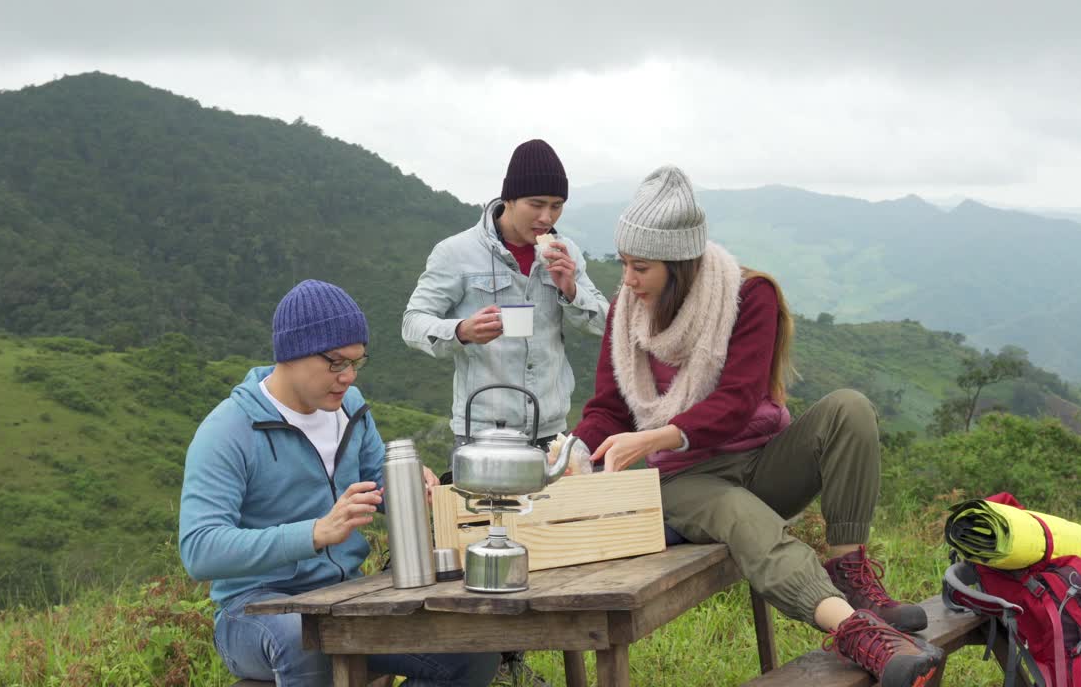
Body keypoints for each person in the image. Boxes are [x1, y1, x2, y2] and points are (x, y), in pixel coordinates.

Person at [569, 166, 944, 687]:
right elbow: (609, 408)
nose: (627, 280)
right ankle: (857, 633)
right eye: (625, 264)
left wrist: (656, 433)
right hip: (681, 477)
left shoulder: (749, 295)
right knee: (742, 518)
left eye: (641, 267)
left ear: (681, 264)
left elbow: (738, 400)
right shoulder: (625, 312)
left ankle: (851, 575)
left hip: (758, 455)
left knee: (849, 408)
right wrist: (572, 449)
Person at [179, 280, 498, 687]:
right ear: (291, 353)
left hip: (345, 595)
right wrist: (314, 533)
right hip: (254, 610)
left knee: (471, 649)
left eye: (356, 362)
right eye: (335, 363)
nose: (347, 376)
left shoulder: (350, 408)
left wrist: (403, 485)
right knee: (308, 641)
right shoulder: (228, 430)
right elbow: (200, 551)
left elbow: (373, 483)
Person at [403, 139, 609, 449]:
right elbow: (412, 324)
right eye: (536, 204)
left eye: (556, 205)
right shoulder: (457, 252)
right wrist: (462, 331)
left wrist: (570, 289)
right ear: (509, 199)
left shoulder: (567, 252)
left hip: (551, 431)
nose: (547, 217)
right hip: (483, 433)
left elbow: (608, 323)